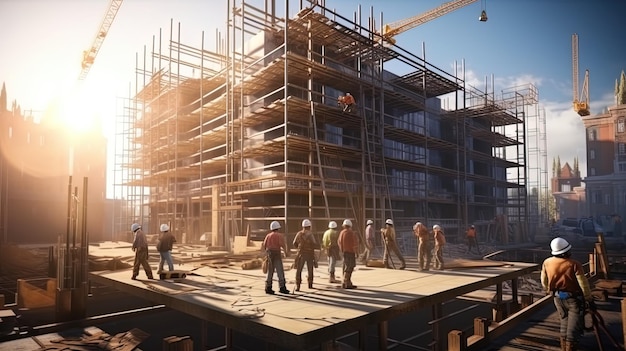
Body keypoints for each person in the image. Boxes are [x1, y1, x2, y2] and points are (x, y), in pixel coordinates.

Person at [541, 237, 593, 351]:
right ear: (565, 252)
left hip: (558, 298)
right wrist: (589, 298)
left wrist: (548, 290)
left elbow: (544, 281)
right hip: (574, 299)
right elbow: (583, 283)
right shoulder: (574, 264)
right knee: (573, 330)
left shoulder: (547, 262)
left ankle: (563, 347)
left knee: (564, 323)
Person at [261, 221, 290, 294]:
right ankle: (282, 287)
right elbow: (283, 245)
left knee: (270, 271)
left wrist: (265, 254)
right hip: (277, 254)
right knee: (280, 271)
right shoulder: (279, 236)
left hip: (269, 254)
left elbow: (264, 245)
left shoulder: (268, 236)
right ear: (278, 228)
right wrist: (286, 253)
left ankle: (268, 287)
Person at [293, 219, 318, 291]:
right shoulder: (310, 234)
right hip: (309, 254)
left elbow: (294, 243)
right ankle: (310, 284)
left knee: (299, 270)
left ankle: (298, 285)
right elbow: (314, 243)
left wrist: (299, 248)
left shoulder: (299, 234)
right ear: (309, 226)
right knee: (310, 269)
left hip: (301, 254)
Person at [337, 219, 358, 289]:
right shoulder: (351, 233)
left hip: (344, 252)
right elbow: (354, 244)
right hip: (350, 253)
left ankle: (346, 282)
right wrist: (356, 252)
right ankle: (346, 282)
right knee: (349, 267)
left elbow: (339, 242)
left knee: (345, 267)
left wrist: (342, 250)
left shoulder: (341, 233)